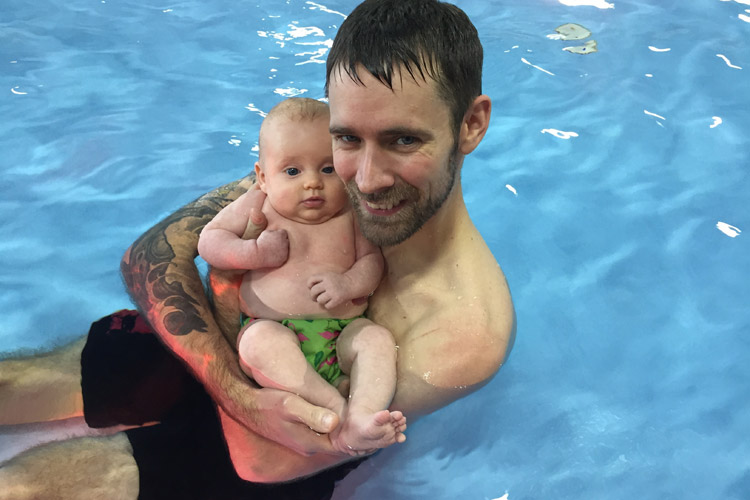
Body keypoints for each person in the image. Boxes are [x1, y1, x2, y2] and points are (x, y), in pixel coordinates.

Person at [0, 0, 516, 498]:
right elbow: (149, 256)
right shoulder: (319, 177)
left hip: (257, 463)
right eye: (348, 139)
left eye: (403, 141)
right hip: (222, 358)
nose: (367, 178)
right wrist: (238, 383)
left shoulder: (465, 333)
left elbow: (263, 457)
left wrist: (225, 302)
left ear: (471, 124)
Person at [197, 97, 406, 455]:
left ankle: (363, 416)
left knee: (377, 340)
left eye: (327, 169)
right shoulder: (258, 203)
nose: (312, 183)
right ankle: (334, 408)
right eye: (292, 172)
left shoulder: (351, 214)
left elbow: (372, 263)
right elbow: (209, 242)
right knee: (257, 343)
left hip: (342, 334)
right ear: (263, 177)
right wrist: (254, 253)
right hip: (275, 330)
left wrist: (348, 284)